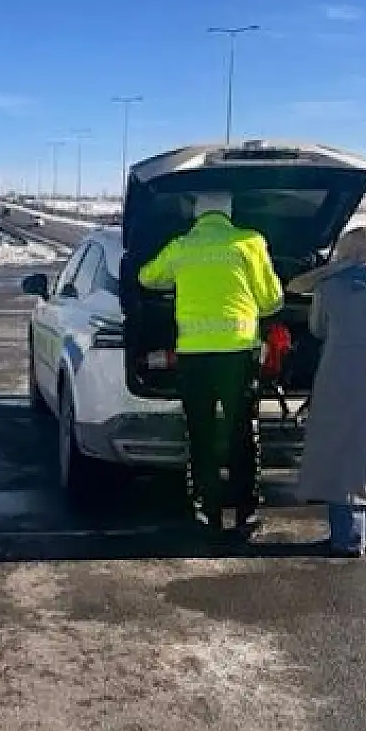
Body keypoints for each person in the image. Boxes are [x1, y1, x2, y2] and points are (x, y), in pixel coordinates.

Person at [138, 192, 284, 536]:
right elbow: (272, 301)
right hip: (237, 355)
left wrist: (179, 282)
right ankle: (246, 512)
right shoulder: (250, 242)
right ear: (230, 213)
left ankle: (207, 511)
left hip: (193, 357)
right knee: (241, 433)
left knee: (200, 433)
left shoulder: (181, 246)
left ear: (196, 214)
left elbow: (146, 278)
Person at [287, 226, 366, 558]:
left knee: (341, 450)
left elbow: (317, 328)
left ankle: (347, 537)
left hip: (340, 372)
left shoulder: (329, 286)